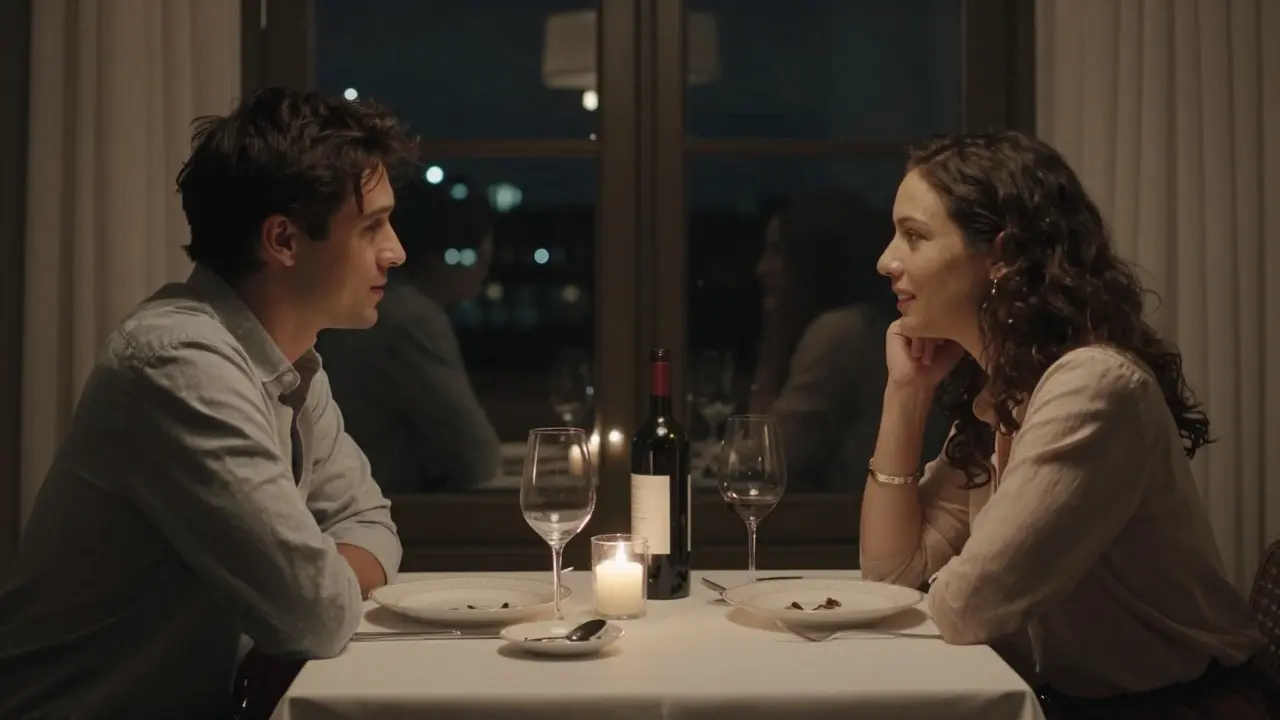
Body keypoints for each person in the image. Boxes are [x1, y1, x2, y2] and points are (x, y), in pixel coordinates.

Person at [0, 87, 415, 718]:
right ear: (283, 239)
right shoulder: (180, 365)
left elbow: (373, 524)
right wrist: (317, 580)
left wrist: (318, 574)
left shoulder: (291, 359)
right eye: (371, 226)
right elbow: (315, 614)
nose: (396, 250)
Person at [859, 131, 1270, 718]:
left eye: (915, 236)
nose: (886, 261)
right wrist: (906, 392)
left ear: (998, 254)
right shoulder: (1005, 391)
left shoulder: (1091, 389)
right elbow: (892, 573)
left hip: (1181, 708)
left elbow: (967, 607)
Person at [748, 192, 942, 491]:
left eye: (777, 251)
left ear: (810, 261)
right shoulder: (867, 324)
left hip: (837, 526)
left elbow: (765, 464)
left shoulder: (841, 332)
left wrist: (770, 349)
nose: (762, 267)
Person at [318, 177, 501, 493]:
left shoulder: (384, 308)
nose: (482, 272)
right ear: (435, 259)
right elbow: (475, 457)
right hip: (395, 514)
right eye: (476, 259)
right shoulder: (407, 319)